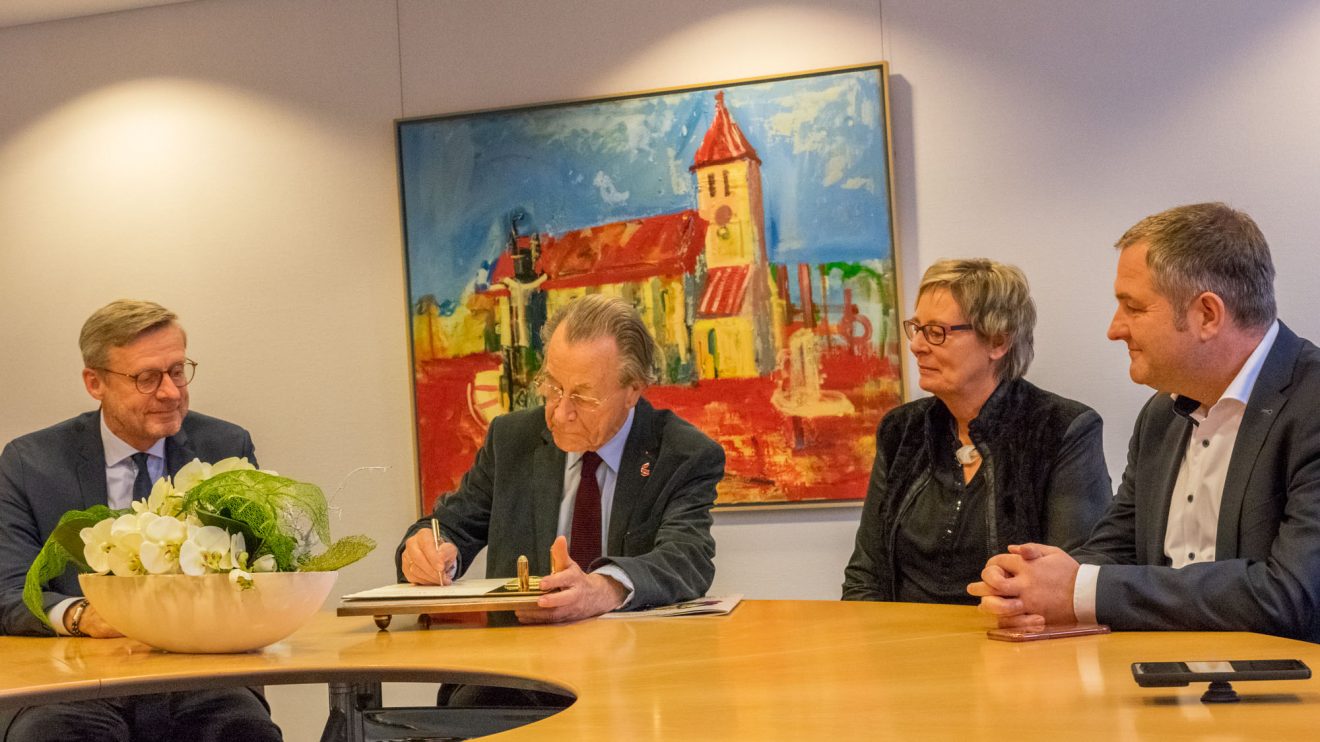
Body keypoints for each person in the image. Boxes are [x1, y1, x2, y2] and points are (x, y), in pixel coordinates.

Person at [969, 202, 1320, 642]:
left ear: (1207, 315)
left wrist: (1080, 591)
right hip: (1160, 681)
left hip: (1286, 699)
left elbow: (1293, 596)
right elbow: (1119, 548)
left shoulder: (1311, 405)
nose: (1115, 329)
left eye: (1132, 308)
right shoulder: (1161, 414)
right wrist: (1034, 582)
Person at [0, 300, 281, 742]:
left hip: (200, 677)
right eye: (147, 378)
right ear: (95, 383)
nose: (170, 392)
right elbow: (8, 590)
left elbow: (262, 569)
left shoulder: (224, 446)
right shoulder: (31, 463)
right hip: (69, 681)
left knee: (243, 730)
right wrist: (81, 616)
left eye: (177, 371)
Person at [397, 293, 724, 623]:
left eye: (582, 397)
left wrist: (603, 589)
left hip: (629, 663)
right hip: (515, 665)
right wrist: (428, 552)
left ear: (633, 391)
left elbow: (687, 558)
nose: (560, 412)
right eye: (552, 387)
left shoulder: (682, 454)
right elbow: (451, 526)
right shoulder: (512, 440)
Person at [842, 259, 1111, 604]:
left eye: (937, 332)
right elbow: (866, 574)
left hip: (1014, 645)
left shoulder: (1063, 429)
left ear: (997, 341)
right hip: (902, 645)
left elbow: (1072, 580)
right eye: (917, 328)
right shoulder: (901, 430)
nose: (917, 345)